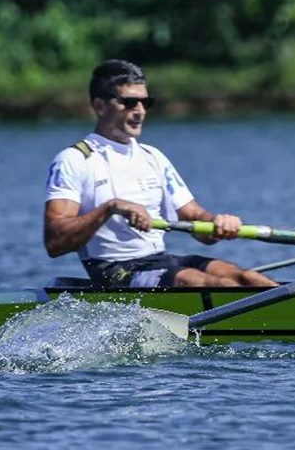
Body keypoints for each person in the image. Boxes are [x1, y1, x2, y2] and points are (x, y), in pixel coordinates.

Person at [43, 60, 278, 288]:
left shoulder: (152, 157)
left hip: (159, 259)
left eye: (146, 103)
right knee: (208, 284)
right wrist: (110, 207)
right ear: (99, 106)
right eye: (130, 102)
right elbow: (55, 242)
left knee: (248, 278)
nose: (140, 111)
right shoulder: (74, 160)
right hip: (114, 271)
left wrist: (218, 223)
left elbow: (193, 216)